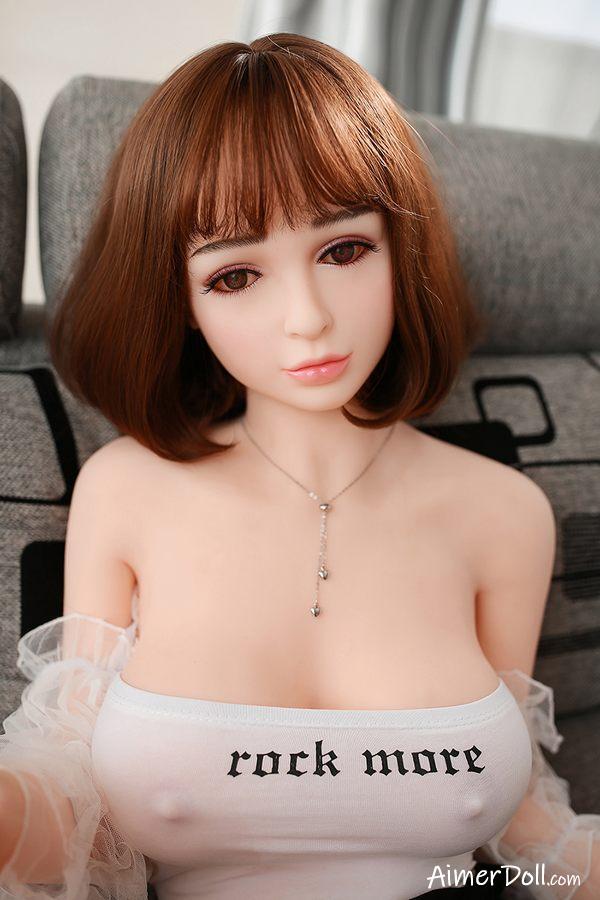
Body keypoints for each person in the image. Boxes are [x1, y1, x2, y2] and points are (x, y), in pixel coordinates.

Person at [1, 31, 598, 900]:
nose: (307, 318)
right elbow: (68, 798)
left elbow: (527, 829)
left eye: (344, 250)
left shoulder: (505, 513)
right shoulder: (126, 490)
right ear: (183, 301)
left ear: (399, 247)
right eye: (235, 276)